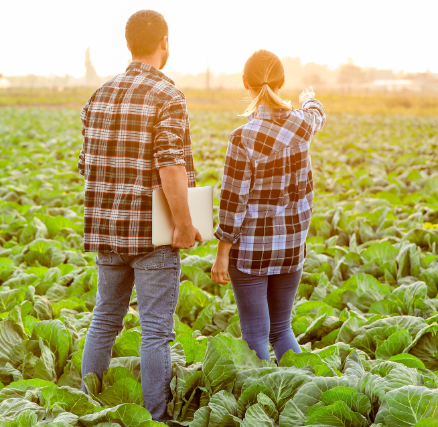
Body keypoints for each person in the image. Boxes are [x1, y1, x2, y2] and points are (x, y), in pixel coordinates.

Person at [77, 9, 200, 422]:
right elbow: (171, 166)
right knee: (155, 334)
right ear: (164, 42)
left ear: (129, 44)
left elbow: (86, 165)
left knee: (103, 321)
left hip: (106, 231)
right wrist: (184, 223)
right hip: (152, 235)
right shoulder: (168, 96)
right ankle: (156, 417)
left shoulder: (99, 95)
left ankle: (86, 406)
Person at [211, 49, 326, 363]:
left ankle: (264, 394)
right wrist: (308, 98)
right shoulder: (303, 124)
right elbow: (318, 114)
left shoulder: (243, 137)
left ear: (245, 82)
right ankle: (301, 392)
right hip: (292, 248)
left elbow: (232, 201)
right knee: (281, 331)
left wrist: (222, 254)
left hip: (251, 252)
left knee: (256, 336)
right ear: (282, 81)